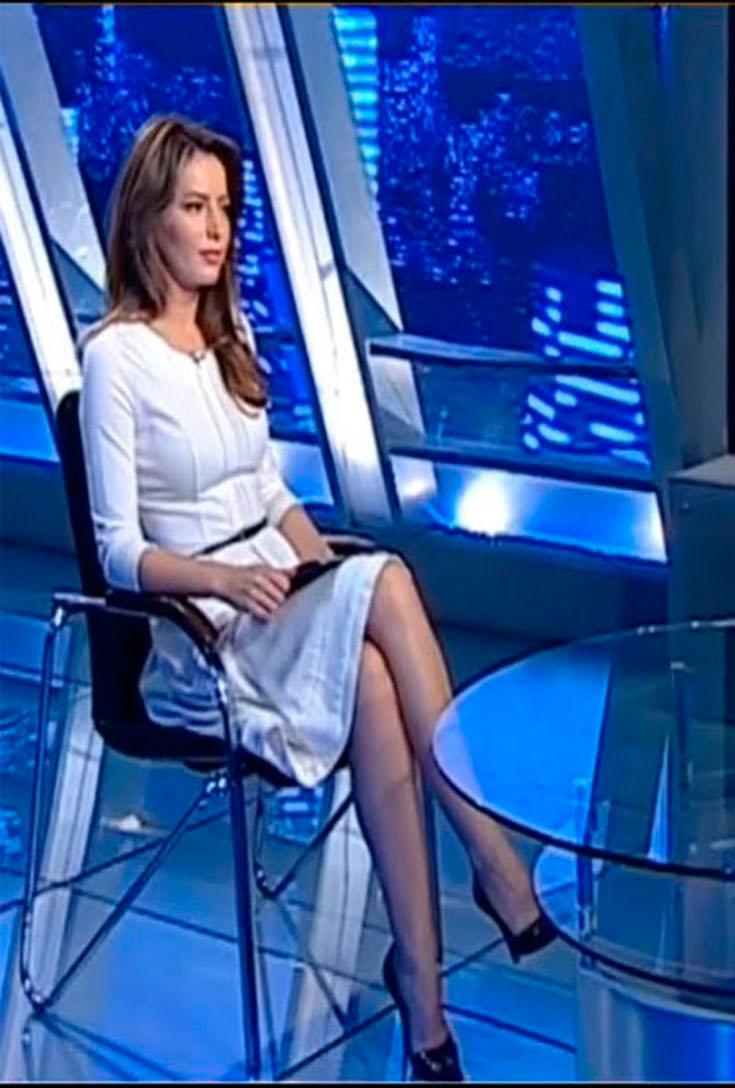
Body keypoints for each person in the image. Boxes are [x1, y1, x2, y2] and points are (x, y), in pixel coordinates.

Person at [77, 115, 555, 1082]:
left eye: (224, 208)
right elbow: (118, 552)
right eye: (193, 208)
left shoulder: (229, 337)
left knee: (375, 662)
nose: (216, 229)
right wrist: (225, 581)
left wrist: (319, 575)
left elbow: (267, 495)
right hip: (198, 640)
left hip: (273, 601)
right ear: (147, 219)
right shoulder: (114, 358)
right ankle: (492, 856)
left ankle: (425, 1005)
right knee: (389, 579)